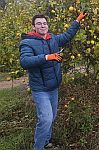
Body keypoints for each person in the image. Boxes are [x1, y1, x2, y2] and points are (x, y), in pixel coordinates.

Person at [19, 12, 87, 150]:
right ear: (33, 27)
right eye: (39, 23)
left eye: (44, 23)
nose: (42, 25)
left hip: (53, 87)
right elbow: (25, 61)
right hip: (40, 89)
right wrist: (46, 57)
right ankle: (38, 147)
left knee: (52, 117)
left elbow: (67, 35)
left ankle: (46, 142)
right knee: (46, 119)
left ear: (47, 25)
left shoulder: (53, 39)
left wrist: (77, 21)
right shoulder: (27, 42)